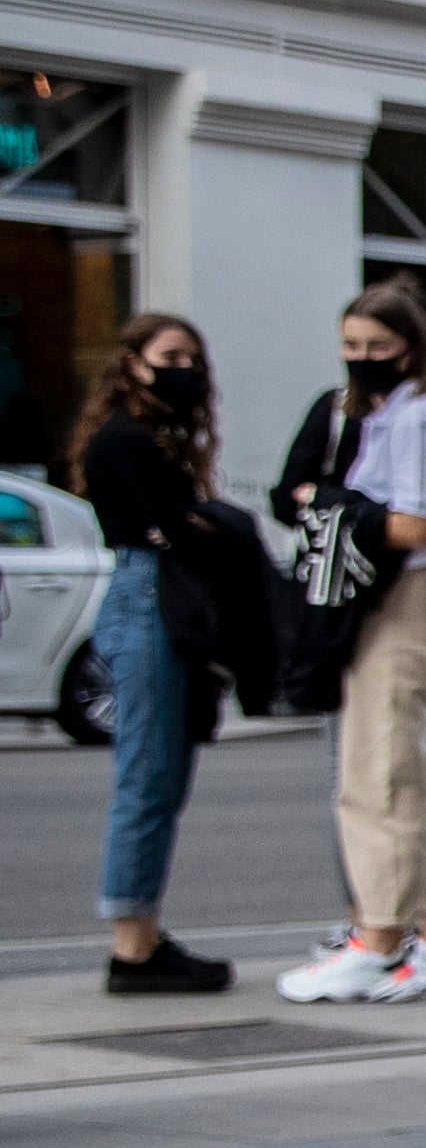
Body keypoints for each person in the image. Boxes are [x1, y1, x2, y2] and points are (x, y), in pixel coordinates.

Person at [276, 283, 426, 1006]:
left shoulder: (419, 420)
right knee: (422, 772)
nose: (362, 362)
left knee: (382, 772)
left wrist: (331, 508)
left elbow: (415, 525)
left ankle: (382, 938)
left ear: (411, 347)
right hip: (409, 599)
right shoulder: (408, 415)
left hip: (407, 597)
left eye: (376, 348)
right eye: (352, 348)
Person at [71, 314, 232, 994]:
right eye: (170, 355)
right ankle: (132, 947)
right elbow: (177, 526)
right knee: (147, 779)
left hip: (153, 596)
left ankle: (141, 937)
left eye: (193, 356)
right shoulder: (129, 441)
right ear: (133, 363)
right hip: (146, 598)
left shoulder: (149, 436)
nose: (185, 368)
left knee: (160, 778)